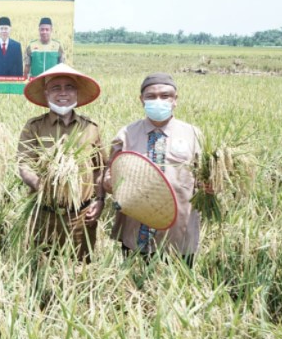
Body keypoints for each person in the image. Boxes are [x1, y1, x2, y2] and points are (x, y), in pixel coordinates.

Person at [103, 73, 202, 267]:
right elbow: (110, 175)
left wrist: (211, 186)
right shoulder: (126, 134)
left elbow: (206, 178)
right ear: (141, 100)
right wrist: (110, 183)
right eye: (151, 96)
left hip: (179, 234)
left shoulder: (193, 134)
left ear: (175, 100)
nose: (158, 101)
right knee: (134, 286)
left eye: (165, 96)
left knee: (177, 288)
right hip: (136, 230)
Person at [17, 64, 106, 263]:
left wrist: (100, 200)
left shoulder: (90, 128)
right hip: (44, 215)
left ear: (77, 93)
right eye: (56, 88)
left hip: (81, 216)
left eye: (69, 87)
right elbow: (24, 165)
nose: (63, 93)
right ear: (46, 93)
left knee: (81, 269)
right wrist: (42, 185)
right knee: (41, 269)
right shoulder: (34, 127)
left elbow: (100, 169)